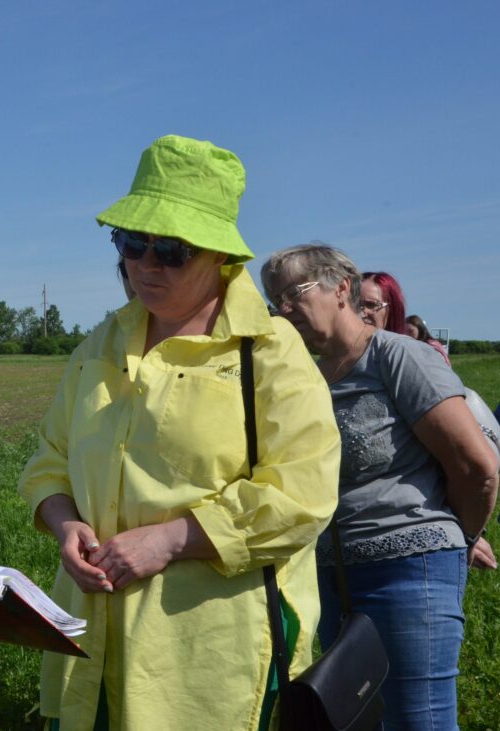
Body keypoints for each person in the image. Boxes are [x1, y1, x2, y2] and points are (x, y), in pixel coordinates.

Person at [17, 135, 341, 731]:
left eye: (170, 250)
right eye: (130, 243)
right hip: (89, 631)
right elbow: (50, 458)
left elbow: (303, 494)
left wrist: (170, 540)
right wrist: (64, 521)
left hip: (207, 655)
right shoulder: (100, 346)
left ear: (220, 255)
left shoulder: (267, 352)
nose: (144, 264)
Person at [262, 244, 498, 730]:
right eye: (274, 300)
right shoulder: (307, 378)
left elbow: (478, 469)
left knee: (419, 722)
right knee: (358, 719)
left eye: (294, 294)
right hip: (331, 580)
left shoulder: (400, 358)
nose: (283, 310)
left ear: (341, 288)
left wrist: (461, 541)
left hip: (409, 575)